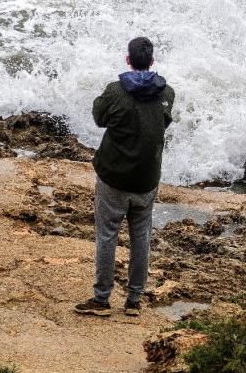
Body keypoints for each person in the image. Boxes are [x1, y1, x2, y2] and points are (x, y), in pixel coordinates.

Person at [74, 36, 175, 317]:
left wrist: (102, 99)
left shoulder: (116, 91)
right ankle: (133, 300)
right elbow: (163, 123)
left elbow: (99, 117)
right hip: (147, 178)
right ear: (152, 61)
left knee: (107, 236)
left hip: (114, 177)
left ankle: (102, 299)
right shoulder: (167, 94)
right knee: (141, 236)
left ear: (128, 60)